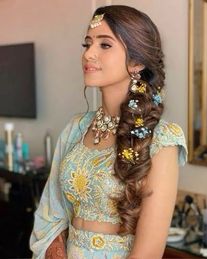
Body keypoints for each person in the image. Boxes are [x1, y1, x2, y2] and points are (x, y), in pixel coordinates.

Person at [30, 5, 187, 259]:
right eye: (87, 44)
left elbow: (147, 254)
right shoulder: (76, 129)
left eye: (105, 45)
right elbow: (50, 214)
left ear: (136, 62)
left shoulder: (162, 140)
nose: (89, 54)